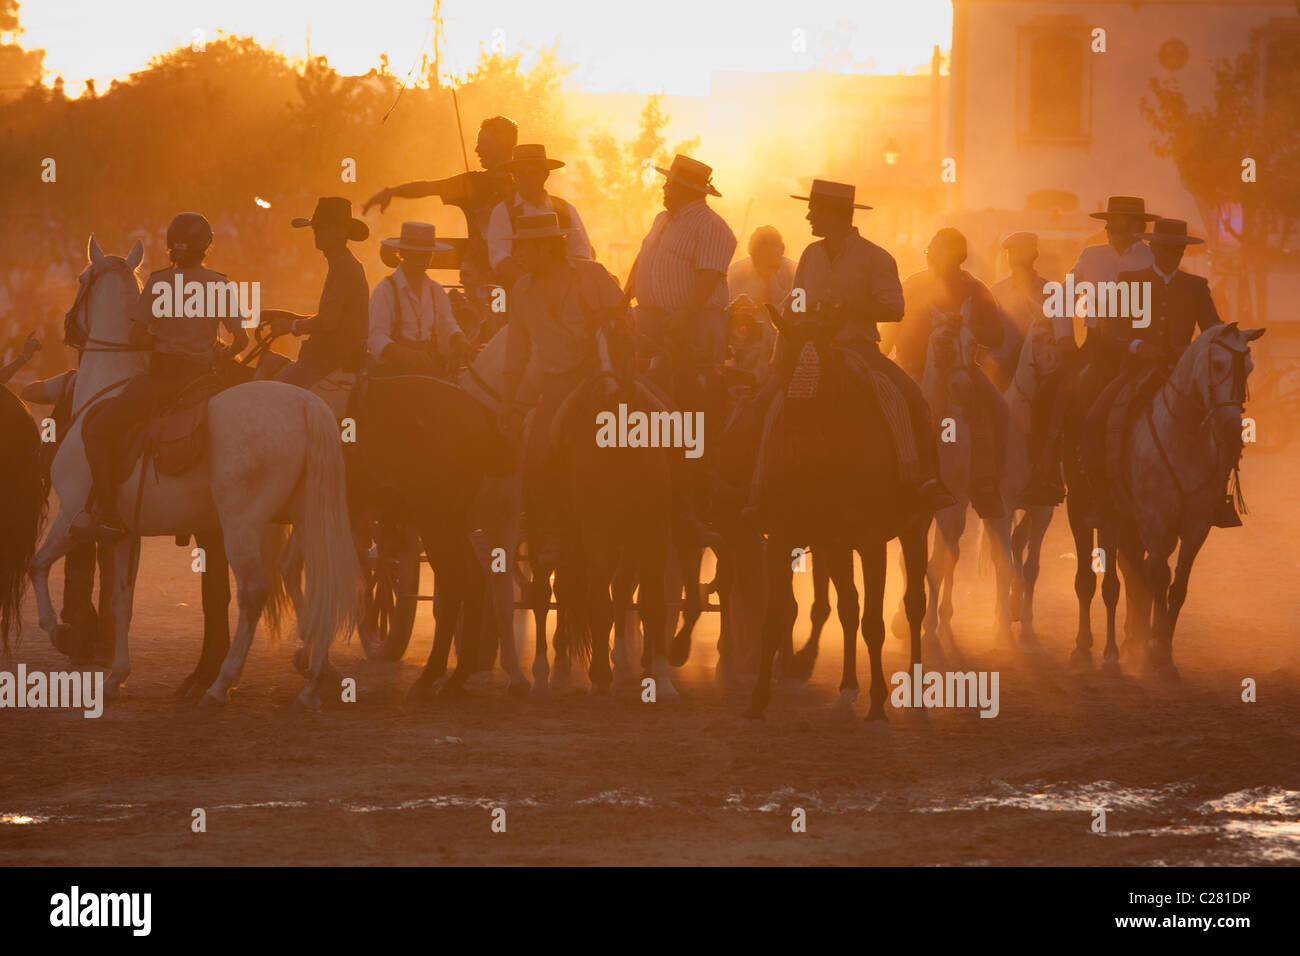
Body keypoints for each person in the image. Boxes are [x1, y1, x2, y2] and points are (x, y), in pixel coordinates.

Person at [731, 179, 954, 516]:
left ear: (833, 214)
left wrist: (849, 310)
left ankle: (925, 479)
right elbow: (800, 300)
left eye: (814, 209)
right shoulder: (810, 255)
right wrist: (782, 312)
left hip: (858, 350)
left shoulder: (876, 259)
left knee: (910, 397)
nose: (808, 216)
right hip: (808, 354)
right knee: (765, 403)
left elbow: (894, 309)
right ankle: (757, 487)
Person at [81, 212, 248, 539]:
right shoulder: (219, 284)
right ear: (206, 248)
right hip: (205, 382)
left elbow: (137, 338)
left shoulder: (159, 283)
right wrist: (217, 352)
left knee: (99, 430)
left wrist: (167, 340)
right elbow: (241, 340)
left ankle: (108, 515)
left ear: (172, 247)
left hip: (162, 383)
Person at [1086, 218, 1236, 526]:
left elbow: (1212, 331)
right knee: (1095, 419)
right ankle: (1098, 499)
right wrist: (1139, 346)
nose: (1172, 254)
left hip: (1182, 377)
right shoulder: (1128, 281)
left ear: (1183, 252)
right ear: (1153, 248)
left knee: (1225, 423)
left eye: (1177, 249)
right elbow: (1110, 330)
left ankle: (1217, 496)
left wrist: (1223, 342)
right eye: (1166, 248)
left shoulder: (1196, 287)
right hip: (1136, 372)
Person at [499, 212, 627, 565]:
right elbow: (516, 353)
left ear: (546, 247)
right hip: (558, 386)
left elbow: (624, 320)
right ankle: (550, 529)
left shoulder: (593, 274)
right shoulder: (520, 290)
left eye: (524, 247)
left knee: (659, 429)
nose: (519, 255)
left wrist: (611, 327)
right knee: (536, 455)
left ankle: (673, 507)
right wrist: (507, 405)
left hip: (606, 377)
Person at [1019, 195, 1158, 506]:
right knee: (1048, 396)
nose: (1110, 231)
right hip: (1097, 347)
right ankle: (1045, 474)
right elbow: (1063, 301)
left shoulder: (1152, 260)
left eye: (1117, 225)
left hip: (1144, 348)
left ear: (1137, 228)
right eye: (1108, 225)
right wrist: (1065, 337)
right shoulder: (1090, 256)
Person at [890, 227, 1006, 516]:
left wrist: (967, 329)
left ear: (956, 258)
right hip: (912, 369)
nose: (930, 259)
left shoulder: (976, 290)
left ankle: (986, 484)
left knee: (998, 411)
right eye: (929, 253)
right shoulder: (913, 285)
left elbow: (997, 335)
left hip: (962, 369)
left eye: (935, 253)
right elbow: (892, 326)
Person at [362, 115, 518, 281]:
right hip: (480, 279)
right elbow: (427, 188)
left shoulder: (525, 188)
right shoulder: (472, 183)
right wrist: (391, 192)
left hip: (518, 278)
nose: (477, 150)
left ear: (503, 145)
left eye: (484, 143)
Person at [629, 154, 737, 384]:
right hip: (653, 320)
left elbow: (708, 277)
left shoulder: (712, 226)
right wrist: (623, 301)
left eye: (669, 184)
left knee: (693, 389)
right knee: (646, 387)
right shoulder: (661, 219)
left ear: (683, 189)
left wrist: (685, 314)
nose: (664, 187)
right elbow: (642, 260)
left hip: (693, 323)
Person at [265, 197, 370, 387]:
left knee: (274, 392)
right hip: (331, 354)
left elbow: (328, 322)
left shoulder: (345, 267)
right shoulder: (343, 264)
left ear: (341, 232)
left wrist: (291, 326)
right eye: (316, 229)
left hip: (330, 357)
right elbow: (332, 318)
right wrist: (289, 318)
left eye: (323, 228)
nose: (317, 234)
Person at [367, 221, 470, 377]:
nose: (422, 259)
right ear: (402, 253)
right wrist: (405, 355)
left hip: (429, 369)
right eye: (416, 254)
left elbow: (448, 325)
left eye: (426, 254)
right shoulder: (386, 290)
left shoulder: (436, 291)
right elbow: (376, 338)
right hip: (393, 375)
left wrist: (459, 339)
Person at [485, 144, 592, 291]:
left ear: (545, 174)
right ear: (514, 176)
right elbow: (500, 259)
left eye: (533, 172)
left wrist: (565, 283)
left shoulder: (565, 209)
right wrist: (534, 286)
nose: (527, 178)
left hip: (565, 292)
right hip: (520, 294)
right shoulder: (502, 212)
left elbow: (581, 252)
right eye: (521, 173)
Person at [727, 226, 796, 307]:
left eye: (769, 257)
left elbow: (801, 309)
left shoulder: (796, 272)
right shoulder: (735, 272)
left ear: (782, 249)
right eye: (759, 258)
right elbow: (726, 306)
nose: (764, 264)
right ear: (750, 251)